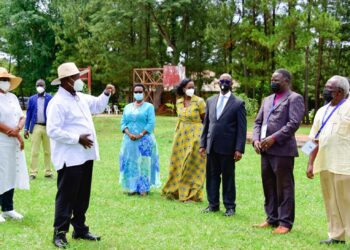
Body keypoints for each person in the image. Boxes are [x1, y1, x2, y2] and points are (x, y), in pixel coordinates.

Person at [46, 62, 115, 248]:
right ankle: (59, 233)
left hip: (85, 155)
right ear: (67, 80)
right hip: (70, 157)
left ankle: (80, 229)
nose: (80, 80)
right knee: (66, 196)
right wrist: (77, 138)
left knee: (83, 195)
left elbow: (98, 105)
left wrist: (106, 93)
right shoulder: (57, 103)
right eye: (77, 77)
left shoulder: (80, 98)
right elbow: (52, 130)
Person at [252, 69, 304, 234]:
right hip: (265, 151)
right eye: (272, 79)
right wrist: (255, 140)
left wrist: (273, 138)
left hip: (282, 150)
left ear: (287, 81)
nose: (273, 81)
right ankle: (271, 218)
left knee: (284, 187)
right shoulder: (267, 99)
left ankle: (285, 223)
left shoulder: (294, 98)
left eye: (276, 79)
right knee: (268, 185)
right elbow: (258, 122)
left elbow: (293, 123)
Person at [306, 75, 350, 245]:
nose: (324, 91)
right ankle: (336, 236)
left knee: (347, 202)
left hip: (345, 165)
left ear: (339, 92)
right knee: (330, 201)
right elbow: (313, 140)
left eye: (328, 88)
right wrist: (310, 163)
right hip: (324, 164)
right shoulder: (321, 111)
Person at [199, 73, 247, 217]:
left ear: (231, 84)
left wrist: (239, 148)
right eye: (221, 81)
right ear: (217, 83)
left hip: (228, 148)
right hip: (211, 145)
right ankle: (213, 205)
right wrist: (203, 144)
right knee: (212, 176)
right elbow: (206, 124)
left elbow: (241, 128)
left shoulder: (238, 103)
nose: (224, 83)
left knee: (228, 178)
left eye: (227, 81)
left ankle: (230, 207)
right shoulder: (211, 101)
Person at [162, 78, 206, 202]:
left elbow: (205, 120)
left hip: (196, 135)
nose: (191, 89)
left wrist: (204, 138)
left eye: (193, 87)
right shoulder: (179, 102)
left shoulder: (199, 102)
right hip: (181, 136)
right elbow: (180, 119)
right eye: (189, 87)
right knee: (177, 163)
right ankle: (175, 191)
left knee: (191, 164)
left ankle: (192, 194)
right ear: (183, 89)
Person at [119, 83, 160, 196]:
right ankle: (132, 187)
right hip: (129, 140)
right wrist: (129, 134)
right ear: (133, 93)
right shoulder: (127, 107)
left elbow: (151, 123)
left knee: (144, 163)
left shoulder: (149, 107)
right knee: (131, 162)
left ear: (144, 93)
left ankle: (143, 188)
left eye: (140, 91)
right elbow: (123, 123)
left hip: (144, 141)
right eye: (135, 92)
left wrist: (140, 134)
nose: (138, 94)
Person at [0, 67, 29, 223]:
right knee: (0, 173)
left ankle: (8, 208)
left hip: (13, 141)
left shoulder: (13, 97)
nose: (5, 82)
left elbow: (21, 116)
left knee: (11, 172)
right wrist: (12, 131)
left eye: (7, 80)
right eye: (2, 80)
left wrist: (18, 129)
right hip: (1, 140)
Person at [24, 79, 53, 179]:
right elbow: (28, 115)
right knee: (34, 151)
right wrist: (26, 128)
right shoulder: (32, 99)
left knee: (48, 151)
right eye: (37, 85)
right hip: (36, 126)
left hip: (47, 127)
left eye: (41, 85)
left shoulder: (50, 98)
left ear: (45, 87)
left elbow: (53, 114)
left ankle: (48, 172)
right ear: (36, 86)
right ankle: (33, 173)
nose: (39, 87)